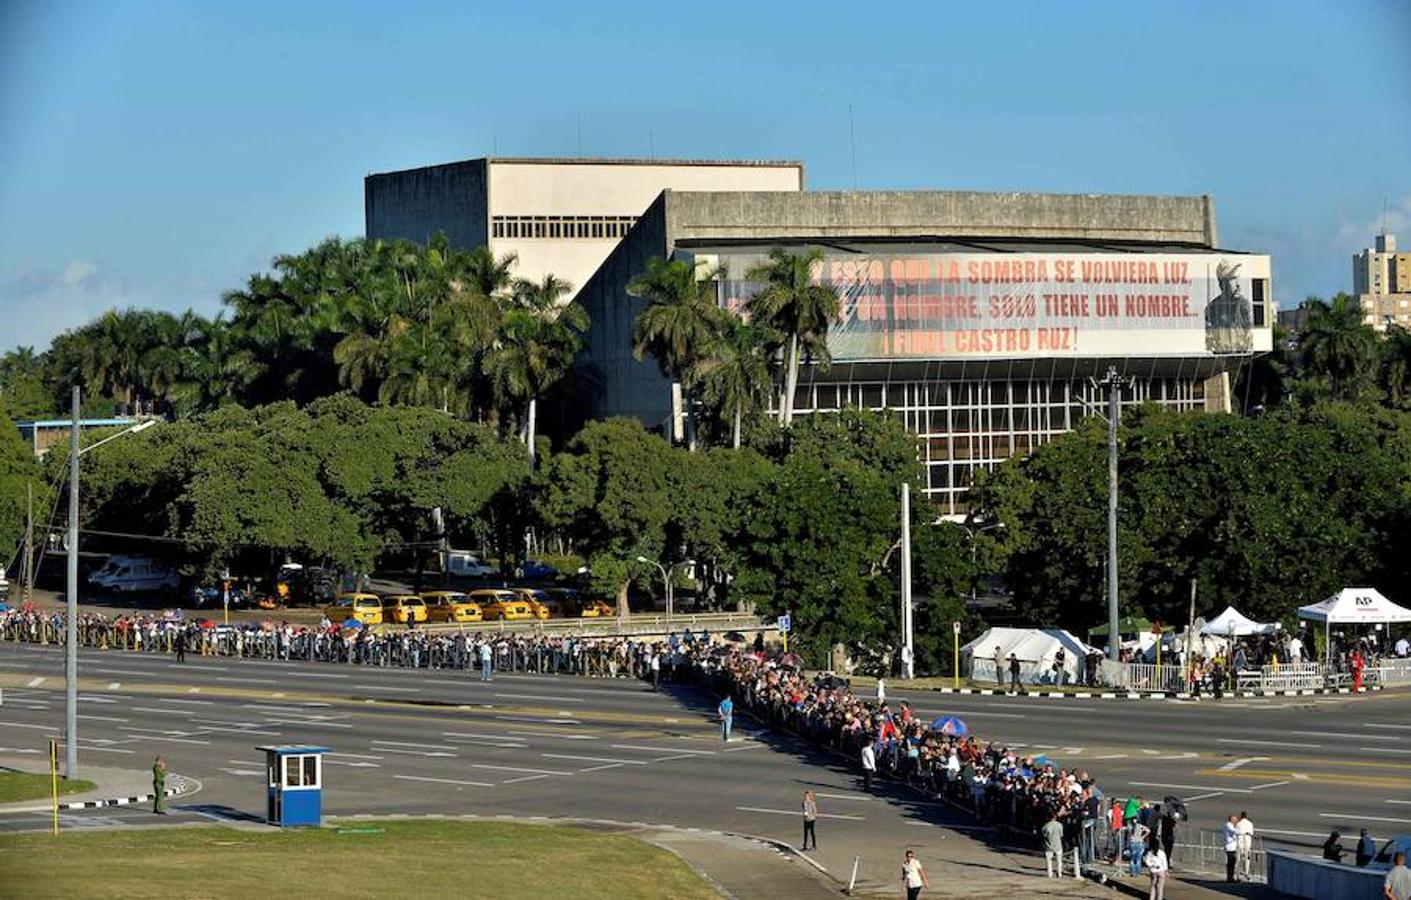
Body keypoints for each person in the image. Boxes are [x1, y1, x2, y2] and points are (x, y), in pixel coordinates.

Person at [1043, 810, 1065, 878]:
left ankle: (1050, 873)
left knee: (1049, 861)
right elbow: (1061, 835)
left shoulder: (1046, 826)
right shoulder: (1060, 825)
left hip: (1049, 845)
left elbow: (1045, 835)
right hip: (1058, 844)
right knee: (1059, 860)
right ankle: (1059, 873)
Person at [1235, 811, 1255, 881]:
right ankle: (1247, 873)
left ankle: (1237, 875)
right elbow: (1251, 833)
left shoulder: (1238, 824)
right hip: (1247, 842)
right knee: (1247, 858)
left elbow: (1236, 833)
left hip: (1240, 842)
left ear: (1241, 816)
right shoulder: (1250, 823)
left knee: (1238, 858)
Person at [1223, 814, 1239, 882]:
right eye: (1235, 819)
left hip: (1232, 847)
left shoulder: (1230, 825)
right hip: (1230, 847)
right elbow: (1234, 831)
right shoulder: (1228, 825)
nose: (1236, 820)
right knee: (1230, 863)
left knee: (1232, 863)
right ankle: (1230, 878)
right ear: (1231, 819)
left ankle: (1231, 877)